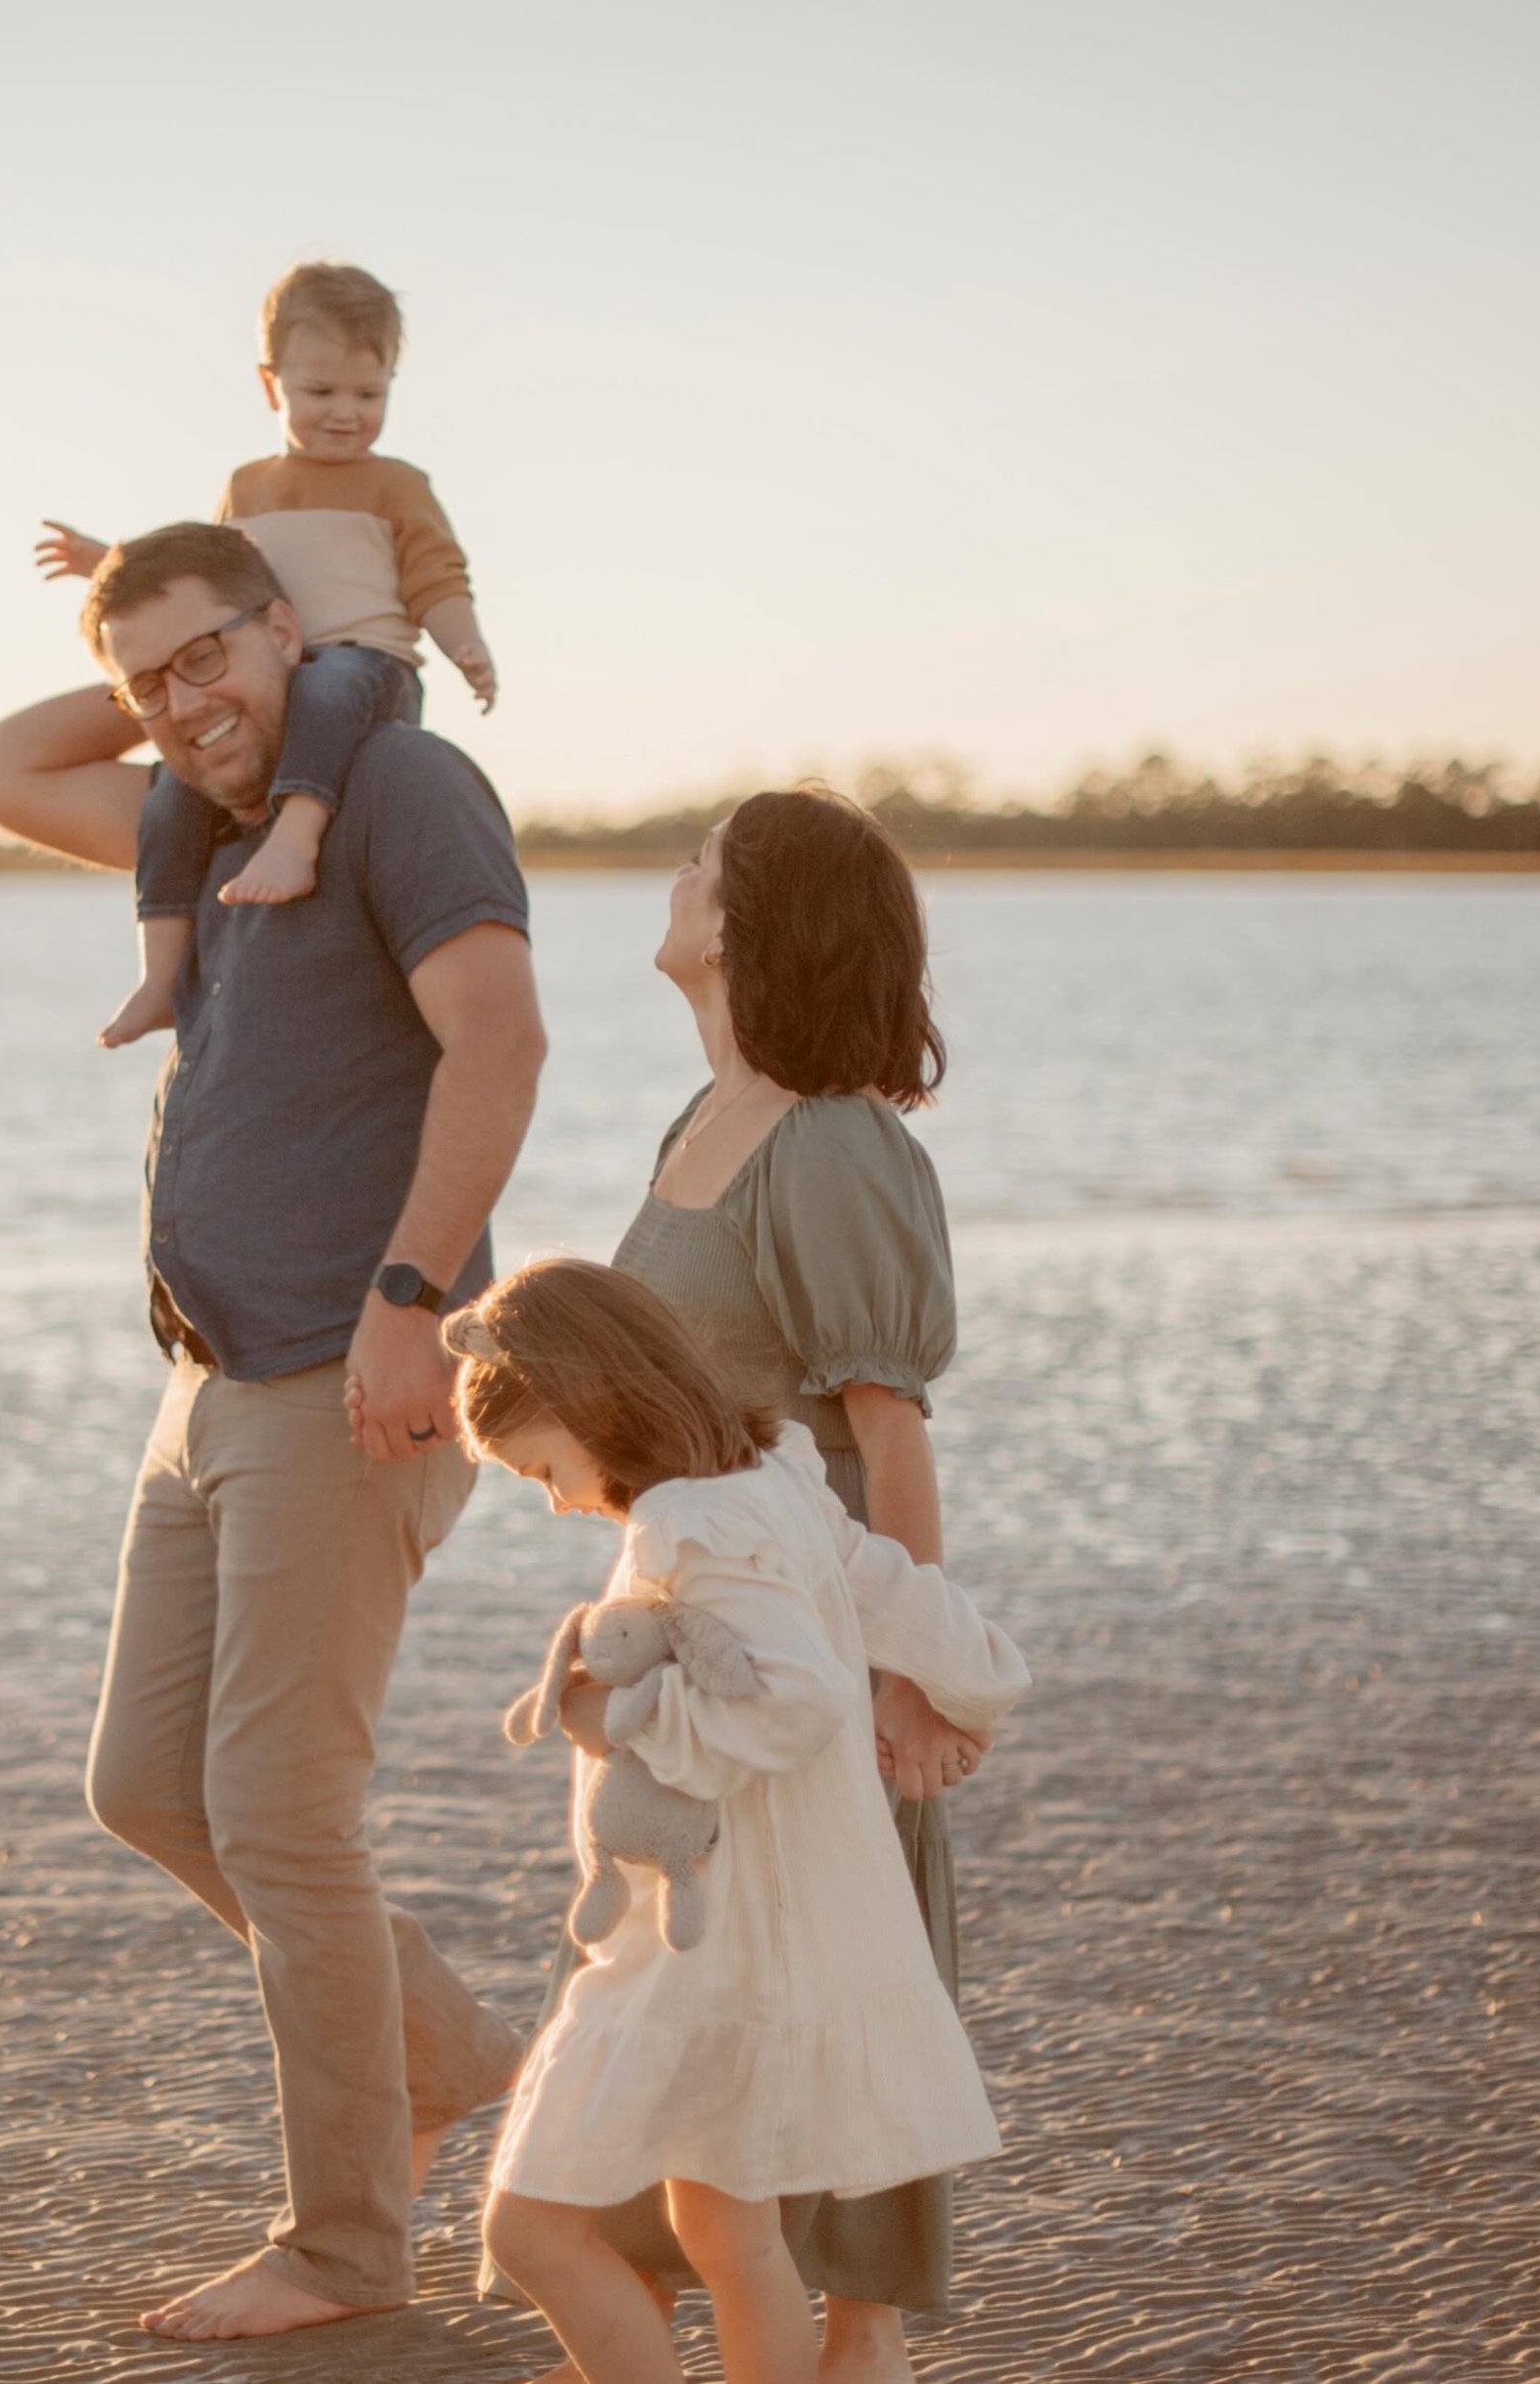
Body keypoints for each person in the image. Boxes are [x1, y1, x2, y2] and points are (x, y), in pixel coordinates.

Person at [0, 519, 545, 2344]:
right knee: (147, 1788)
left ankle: (349, 2248)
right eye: (151, 677)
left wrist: (410, 1301)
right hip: (205, 1380)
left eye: (215, 653)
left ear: (298, 628)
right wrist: (171, 669)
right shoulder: (197, 822)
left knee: (284, 1822)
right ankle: (439, 2054)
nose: (180, 701)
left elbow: (500, 1046)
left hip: (345, 1374)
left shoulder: (402, 785)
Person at [493, 785, 989, 2384]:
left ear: (753, 920)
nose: (676, 876)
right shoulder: (701, 1122)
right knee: (702, 2105)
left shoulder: (835, 1140)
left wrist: (908, 1681)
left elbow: (887, 1434)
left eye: (703, 863)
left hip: (809, 1661)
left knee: (830, 2157)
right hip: (707, 1658)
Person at [447, 1258, 1030, 2384]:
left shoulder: (689, 1522)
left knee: (527, 2230)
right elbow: (883, 1586)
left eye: (542, 1468)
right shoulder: (772, 1475)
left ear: (585, 1402)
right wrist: (976, 1683)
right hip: (767, 1940)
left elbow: (797, 1698)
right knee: (727, 2230)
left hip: (699, 1951)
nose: (557, 1499)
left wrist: (615, 1714)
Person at [34, 262, 499, 1048]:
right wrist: (107, 560)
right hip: (281, 684)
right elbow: (203, 579)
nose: (347, 414)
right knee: (174, 796)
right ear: (269, 384)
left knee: (329, 683)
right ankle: (159, 975)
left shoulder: (395, 485)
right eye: (322, 393)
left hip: (370, 671)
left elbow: (435, 576)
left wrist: (465, 644)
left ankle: (297, 839)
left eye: (370, 394)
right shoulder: (247, 486)